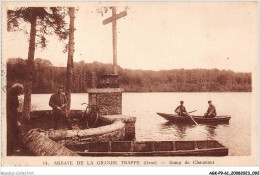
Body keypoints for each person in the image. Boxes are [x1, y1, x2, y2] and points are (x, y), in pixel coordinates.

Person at [7, 83, 24, 155]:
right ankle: (11, 151)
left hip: (10, 117)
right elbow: (12, 110)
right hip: (11, 118)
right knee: (13, 133)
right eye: (20, 90)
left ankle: (11, 150)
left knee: (12, 133)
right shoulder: (12, 95)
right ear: (17, 88)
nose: (20, 92)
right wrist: (16, 121)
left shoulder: (10, 93)